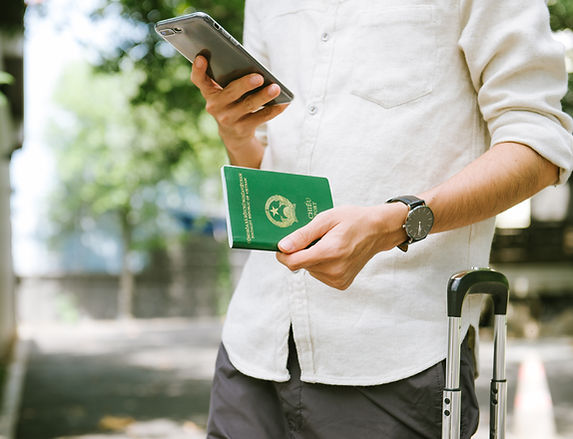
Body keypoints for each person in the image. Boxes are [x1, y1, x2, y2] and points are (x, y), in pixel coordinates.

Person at [191, 1, 573, 438]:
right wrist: (235, 134)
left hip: (399, 358)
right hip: (252, 349)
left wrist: (396, 222)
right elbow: (268, 163)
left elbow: (538, 145)